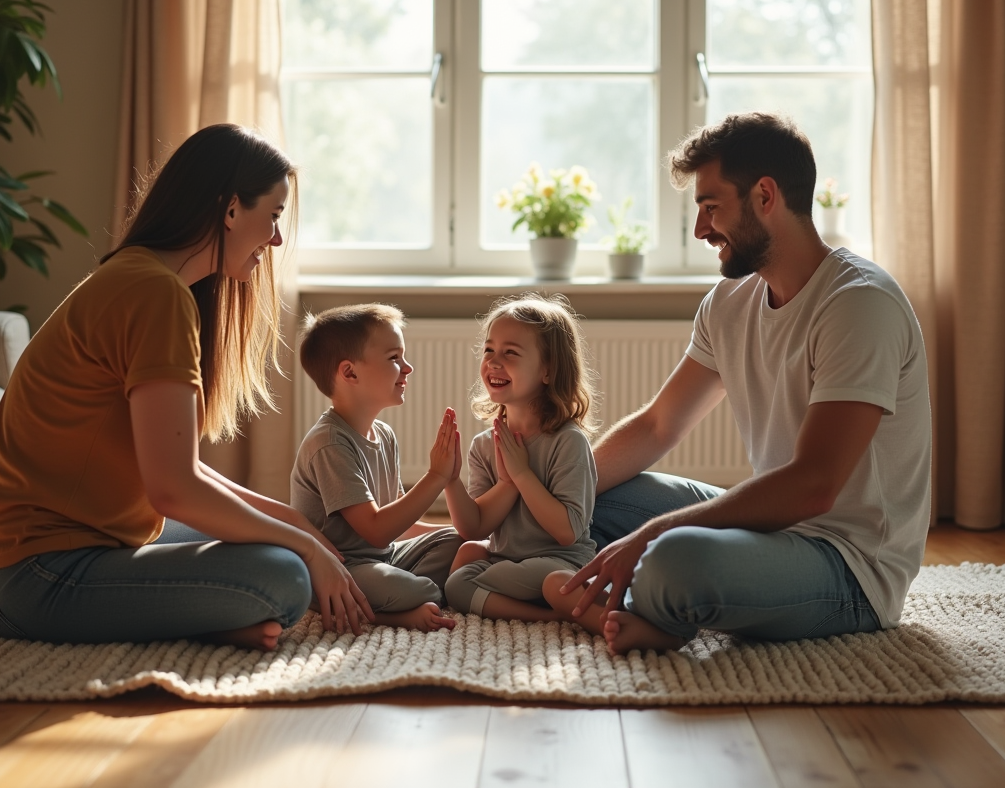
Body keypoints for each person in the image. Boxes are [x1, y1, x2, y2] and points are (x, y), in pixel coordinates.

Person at [0, 124, 373, 652]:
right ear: (231, 209)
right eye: (273, 216)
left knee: (278, 540)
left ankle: (199, 613)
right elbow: (174, 490)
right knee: (286, 575)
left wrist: (293, 523)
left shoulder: (149, 280)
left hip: (83, 548)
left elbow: (181, 473)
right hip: (34, 578)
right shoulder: (155, 294)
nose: (276, 239)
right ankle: (199, 618)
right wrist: (308, 549)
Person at [547, 112, 932, 655]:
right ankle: (626, 598)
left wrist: (654, 533)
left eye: (711, 207)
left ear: (765, 195)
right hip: (774, 532)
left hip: (849, 566)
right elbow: (658, 425)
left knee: (672, 558)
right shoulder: (730, 301)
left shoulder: (859, 304)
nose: (700, 230)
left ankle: (638, 597)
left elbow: (814, 484)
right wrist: (547, 499)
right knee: (594, 501)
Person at [290, 304, 464, 632]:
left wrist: (460, 535)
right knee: (418, 590)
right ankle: (387, 612)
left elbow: (397, 524)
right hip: (342, 568)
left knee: (460, 544)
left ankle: (408, 593)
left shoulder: (384, 434)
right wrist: (436, 476)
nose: (408, 368)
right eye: (395, 358)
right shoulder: (329, 443)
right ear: (350, 373)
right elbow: (377, 530)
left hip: (385, 557)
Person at [444, 294, 599, 622]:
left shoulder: (568, 441)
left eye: (510, 353)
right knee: (464, 564)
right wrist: (449, 479)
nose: (494, 362)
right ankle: (549, 616)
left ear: (548, 371)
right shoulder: (483, 446)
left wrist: (522, 474)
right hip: (507, 561)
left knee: (551, 580)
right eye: (489, 350)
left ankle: (571, 603)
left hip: (560, 563)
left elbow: (567, 532)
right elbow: (475, 527)